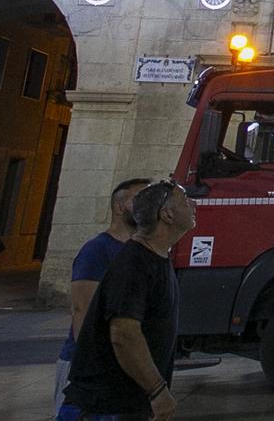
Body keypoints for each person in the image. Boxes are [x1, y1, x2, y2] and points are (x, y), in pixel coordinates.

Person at [61, 180, 198, 421]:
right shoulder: (133, 264)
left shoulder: (155, 258)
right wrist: (157, 390)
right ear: (166, 214)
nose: (194, 204)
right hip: (103, 408)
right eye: (185, 201)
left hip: (126, 404)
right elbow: (124, 335)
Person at [55, 177, 150, 417]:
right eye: (141, 198)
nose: (148, 205)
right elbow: (82, 311)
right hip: (89, 370)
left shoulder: (136, 252)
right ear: (120, 206)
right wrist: (95, 369)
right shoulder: (97, 250)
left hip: (118, 368)